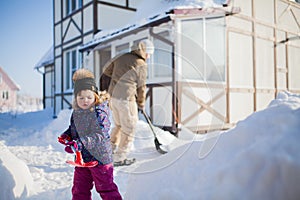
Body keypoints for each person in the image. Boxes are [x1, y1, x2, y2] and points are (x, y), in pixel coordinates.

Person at [58, 68, 122, 200]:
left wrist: (80, 143)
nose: (85, 100)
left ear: (96, 97)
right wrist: (67, 135)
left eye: (89, 97)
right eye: (81, 97)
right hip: (83, 159)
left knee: (106, 188)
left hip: (100, 159)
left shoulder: (99, 113)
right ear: (76, 98)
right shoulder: (77, 112)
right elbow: (73, 128)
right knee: (79, 188)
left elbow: (100, 134)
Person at [100, 39, 154, 166]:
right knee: (129, 128)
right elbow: (141, 86)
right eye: (149, 53)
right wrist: (141, 102)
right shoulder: (141, 64)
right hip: (126, 99)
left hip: (113, 97)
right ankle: (120, 158)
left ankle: (109, 151)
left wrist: (118, 74)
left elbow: (106, 70)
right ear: (145, 52)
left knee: (118, 125)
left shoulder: (121, 57)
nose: (149, 56)